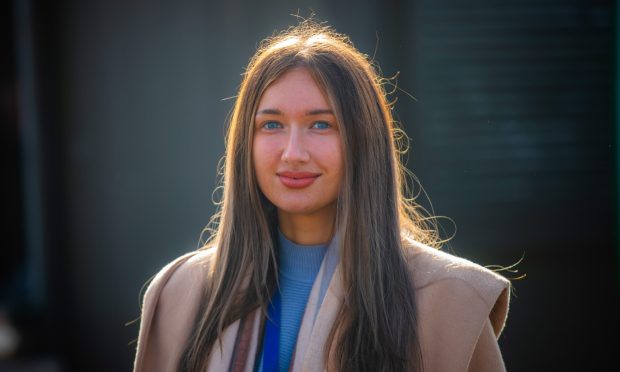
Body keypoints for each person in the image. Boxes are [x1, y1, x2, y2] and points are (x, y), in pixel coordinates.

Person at [132, 20, 510, 372]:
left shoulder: (449, 301)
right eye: (272, 124)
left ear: (364, 141)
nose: (293, 152)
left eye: (321, 124)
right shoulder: (180, 294)